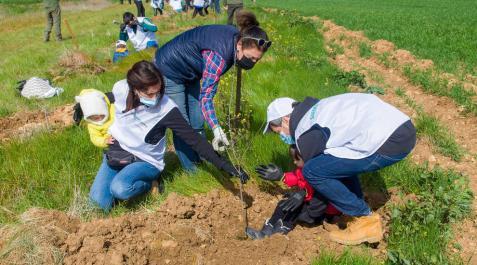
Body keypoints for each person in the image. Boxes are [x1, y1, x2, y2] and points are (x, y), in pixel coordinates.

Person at [89, 61, 248, 212]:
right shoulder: (121, 89)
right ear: (135, 89)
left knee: (120, 189)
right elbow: (109, 97)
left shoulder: (166, 109)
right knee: (99, 204)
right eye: (149, 94)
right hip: (117, 152)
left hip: (145, 159)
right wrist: (84, 106)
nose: (155, 98)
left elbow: (193, 138)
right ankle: (120, 181)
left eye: (158, 92)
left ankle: (151, 183)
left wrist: (225, 165)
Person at [262, 93, 416, 245]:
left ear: (286, 119)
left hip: (390, 141)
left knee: (312, 170)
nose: (282, 136)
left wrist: (308, 215)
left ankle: (365, 220)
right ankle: (355, 209)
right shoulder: (315, 109)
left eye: (279, 131)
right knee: (334, 161)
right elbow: (336, 167)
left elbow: (319, 186)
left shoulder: (306, 134)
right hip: (402, 126)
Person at [154, 11, 271, 171]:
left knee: (197, 121)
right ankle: (193, 172)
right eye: (250, 58)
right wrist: (216, 128)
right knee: (183, 126)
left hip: (191, 70)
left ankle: (201, 160)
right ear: (239, 46)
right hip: (170, 68)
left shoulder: (240, 38)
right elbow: (206, 98)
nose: (253, 63)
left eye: (257, 60)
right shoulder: (218, 57)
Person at [246, 145, 341, 240]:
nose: (294, 162)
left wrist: (304, 193)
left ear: (307, 157)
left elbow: (320, 191)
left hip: (323, 211)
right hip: (310, 201)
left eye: (297, 159)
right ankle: (267, 230)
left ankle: (279, 233)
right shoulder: (303, 170)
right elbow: (297, 177)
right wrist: (282, 176)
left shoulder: (322, 172)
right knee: (283, 205)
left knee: (295, 209)